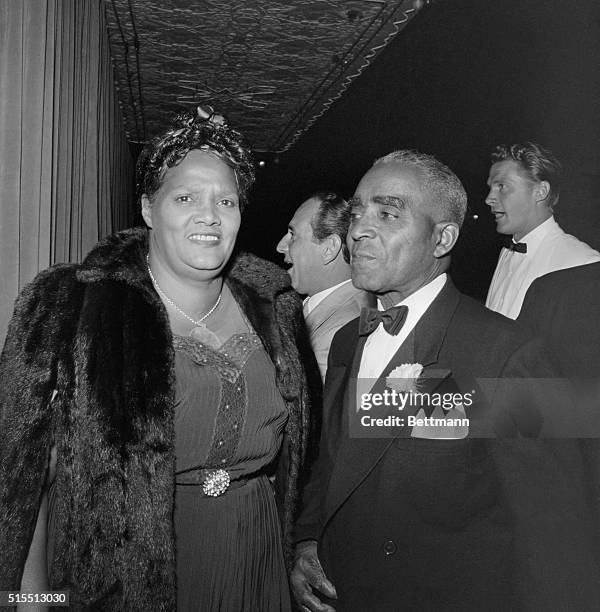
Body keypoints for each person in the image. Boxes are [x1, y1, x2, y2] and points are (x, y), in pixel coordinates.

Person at [0, 106, 319, 611]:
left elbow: (303, 457)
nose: (209, 216)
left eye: (226, 201)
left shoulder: (276, 309)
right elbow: (26, 473)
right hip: (128, 575)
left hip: (254, 553)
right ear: (149, 208)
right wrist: (31, 600)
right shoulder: (75, 308)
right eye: (186, 197)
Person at [290, 150, 600, 611]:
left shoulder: (509, 355)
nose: (358, 229)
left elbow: (555, 536)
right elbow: (333, 463)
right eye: (357, 213)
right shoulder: (344, 345)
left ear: (443, 238)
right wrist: (308, 540)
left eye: (388, 213)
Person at [485, 141, 600, 319]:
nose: (488, 199)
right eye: (490, 188)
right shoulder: (506, 254)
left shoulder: (584, 263)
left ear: (540, 191)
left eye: (502, 186)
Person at [276, 192, 371, 381]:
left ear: (329, 249)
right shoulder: (314, 306)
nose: (280, 246)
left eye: (293, 235)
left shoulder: (346, 329)